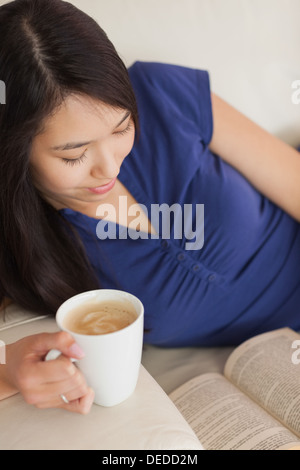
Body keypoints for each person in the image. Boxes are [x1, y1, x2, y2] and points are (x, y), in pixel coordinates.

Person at [0, 0, 299, 414]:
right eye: (74, 155)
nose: (109, 166)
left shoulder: (160, 92)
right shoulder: (22, 239)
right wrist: (7, 368)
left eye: (122, 128)